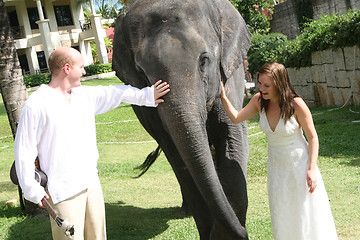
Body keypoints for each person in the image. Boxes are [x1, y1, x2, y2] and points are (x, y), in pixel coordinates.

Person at [14, 47, 170, 240]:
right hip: (63, 191)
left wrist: (147, 95)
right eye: (81, 67)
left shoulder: (83, 96)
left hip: (90, 182)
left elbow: (116, 93)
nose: (85, 71)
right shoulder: (36, 104)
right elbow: (24, 151)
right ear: (67, 68)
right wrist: (31, 189)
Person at [220, 62, 338, 240]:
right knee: (282, 210)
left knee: (304, 210)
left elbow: (313, 138)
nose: (261, 88)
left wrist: (311, 169)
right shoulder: (258, 101)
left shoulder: (296, 104)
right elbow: (236, 118)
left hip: (299, 164)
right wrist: (222, 96)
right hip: (277, 166)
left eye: (267, 85)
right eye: (259, 83)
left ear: (279, 83)